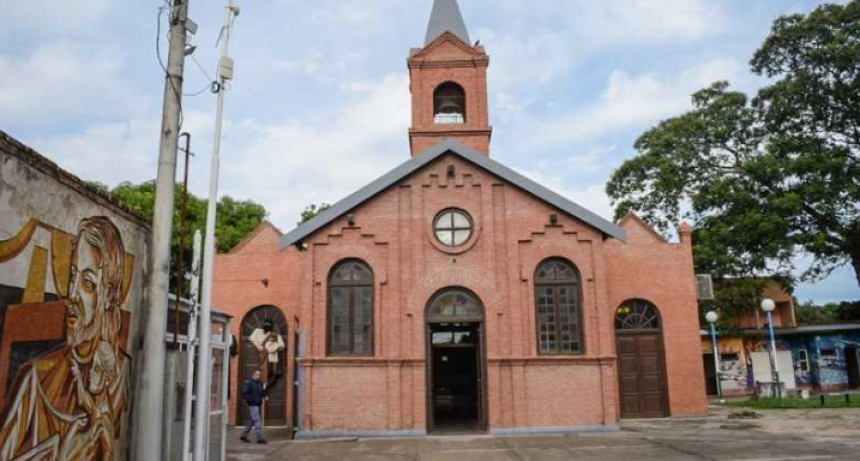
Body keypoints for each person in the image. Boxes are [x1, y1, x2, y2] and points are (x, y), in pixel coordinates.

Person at [0, 216, 130, 461]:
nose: (72, 294)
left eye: (88, 283)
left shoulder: (123, 374)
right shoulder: (37, 377)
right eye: (73, 277)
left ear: (109, 296)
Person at [240, 370, 268, 444]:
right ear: (253, 374)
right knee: (257, 420)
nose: (258, 376)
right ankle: (260, 438)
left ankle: (243, 436)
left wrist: (265, 396)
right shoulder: (249, 383)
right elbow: (245, 393)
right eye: (256, 374)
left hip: (258, 404)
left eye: (259, 375)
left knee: (252, 421)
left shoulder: (259, 383)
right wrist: (250, 400)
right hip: (253, 405)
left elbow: (262, 391)